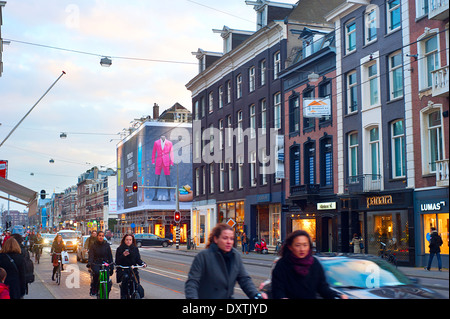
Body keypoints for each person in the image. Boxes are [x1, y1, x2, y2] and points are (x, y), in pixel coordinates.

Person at [185, 223, 264, 299]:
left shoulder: (235, 256)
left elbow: (244, 279)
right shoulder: (203, 257)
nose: (229, 242)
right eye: (225, 238)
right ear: (216, 239)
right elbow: (192, 282)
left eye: (231, 239)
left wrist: (256, 295)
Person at [271, 230, 348, 299]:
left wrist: (337, 295)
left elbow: (322, 287)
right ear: (290, 247)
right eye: (298, 245)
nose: (302, 249)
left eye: (305, 245)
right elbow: (277, 289)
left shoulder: (315, 263)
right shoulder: (282, 265)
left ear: (309, 246)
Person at [115, 233, 146, 299]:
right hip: (123, 269)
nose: (128, 241)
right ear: (124, 240)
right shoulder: (120, 249)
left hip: (132, 269)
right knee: (125, 278)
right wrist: (123, 255)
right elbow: (117, 261)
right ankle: (124, 295)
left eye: (130, 240)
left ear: (132, 241)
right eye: (127, 240)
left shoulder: (135, 249)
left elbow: (138, 259)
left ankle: (135, 293)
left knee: (136, 282)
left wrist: (143, 264)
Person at [88, 230, 113, 296]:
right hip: (96, 263)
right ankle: (94, 289)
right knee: (96, 273)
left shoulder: (107, 245)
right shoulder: (93, 245)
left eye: (102, 236)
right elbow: (91, 255)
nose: (101, 237)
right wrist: (90, 262)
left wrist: (112, 265)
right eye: (99, 236)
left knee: (107, 276)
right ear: (97, 236)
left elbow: (110, 256)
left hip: (104, 263)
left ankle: (106, 291)